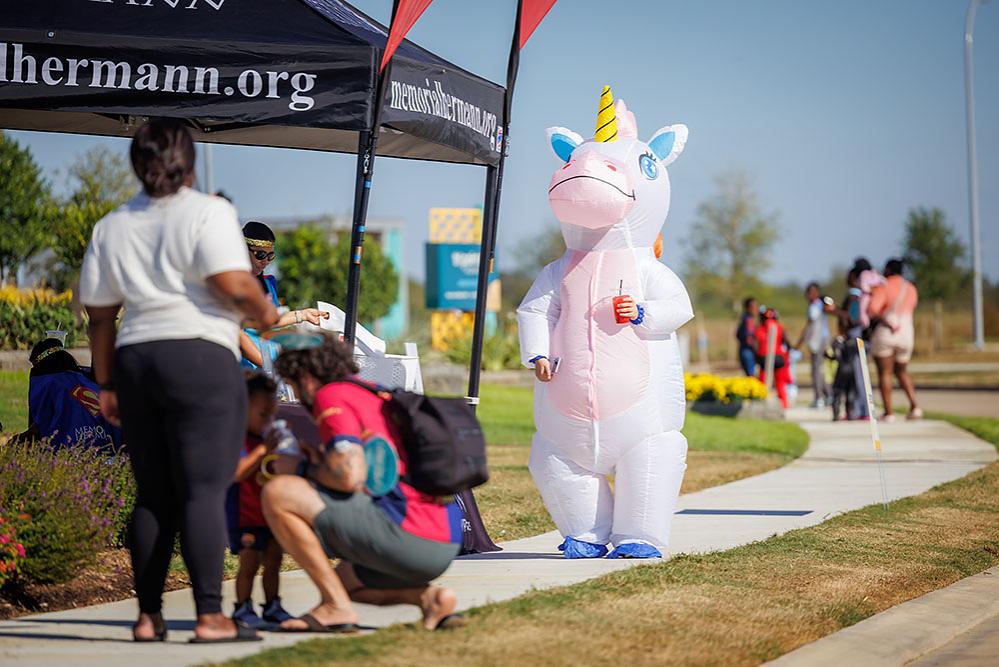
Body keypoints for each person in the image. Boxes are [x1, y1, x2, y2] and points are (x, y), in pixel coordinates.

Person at [79, 118, 279, 643]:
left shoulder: (112, 225)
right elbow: (229, 280)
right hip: (199, 358)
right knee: (202, 492)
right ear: (187, 163)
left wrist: (106, 385)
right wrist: (265, 312)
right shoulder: (209, 211)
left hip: (137, 359)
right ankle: (212, 616)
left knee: (152, 493)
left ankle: (148, 616)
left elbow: (100, 316)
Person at [261, 335, 464, 632]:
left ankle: (335, 607)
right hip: (444, 539)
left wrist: (300, 467)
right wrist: (320, 463)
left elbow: (348, 476)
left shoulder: (330, 396)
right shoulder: (371, 390)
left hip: (409, 535)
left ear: (304, 377)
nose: (294, 393)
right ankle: (431, 599)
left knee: (278, 493)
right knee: (346, 583)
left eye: (291, 384)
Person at [226, 373, 294, 628]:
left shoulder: (267, 440)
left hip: (269, 514)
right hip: (246, 515)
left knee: (275, 560)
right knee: (249, 563)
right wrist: (264, 450)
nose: (269, 421)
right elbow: (238, 472)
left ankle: (272, 604)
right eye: (263, 415)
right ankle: (242, 607)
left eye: (272, 414)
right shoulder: (239, 439)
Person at [239, 221, 328, 370]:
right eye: (260, 255)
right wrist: (267, 365)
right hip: (247, 368)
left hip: (270, 360)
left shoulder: (269, 284)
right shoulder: (232, 287)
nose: (265, 261)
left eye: (270, 255)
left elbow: (272, 323)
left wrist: (303, 315)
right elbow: (238, 334)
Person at [21, 338, 122, 452]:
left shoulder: (49, 383)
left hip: (73, 454)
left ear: (40, 365)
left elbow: (41, 426)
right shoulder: (86, 380)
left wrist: (19, 439)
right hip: (109, 448)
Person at [867, 258, 920, 422]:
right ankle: (914, 406)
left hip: (887, 331)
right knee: (902, 371)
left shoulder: (883, 287)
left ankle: (889, 412)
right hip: (907, 332)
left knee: (885, 372)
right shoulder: (910, 288)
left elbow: (872, 310)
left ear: (888, 269)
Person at [794, 282, 831, 408]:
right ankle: (828, 395)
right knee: (819, 370)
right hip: (822, 340)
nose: (809, 295)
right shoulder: (820, 305)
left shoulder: (815, 307)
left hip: (818, 341)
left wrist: (799, 342)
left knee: (816, 370)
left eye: (812, 292)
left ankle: (819, 397)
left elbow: (810, 325)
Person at [755, 307, 792, 409]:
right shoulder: (779, 327)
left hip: (764, 358)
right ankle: (784, 405)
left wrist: (757, 359)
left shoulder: (760, 329)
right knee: (780, 384)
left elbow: (755, 345)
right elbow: (787, 344)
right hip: (779, 358)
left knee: (763, 383)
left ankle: (762, 403)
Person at [736, 297, 759, 376]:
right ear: (749, 308)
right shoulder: (748, 320)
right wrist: (756, 350)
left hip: (744, 350)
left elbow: (737, 334)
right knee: (751, 377)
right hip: (748, 351)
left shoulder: (744, 318)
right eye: (755, 307)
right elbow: (749, 338)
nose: (756, 309)